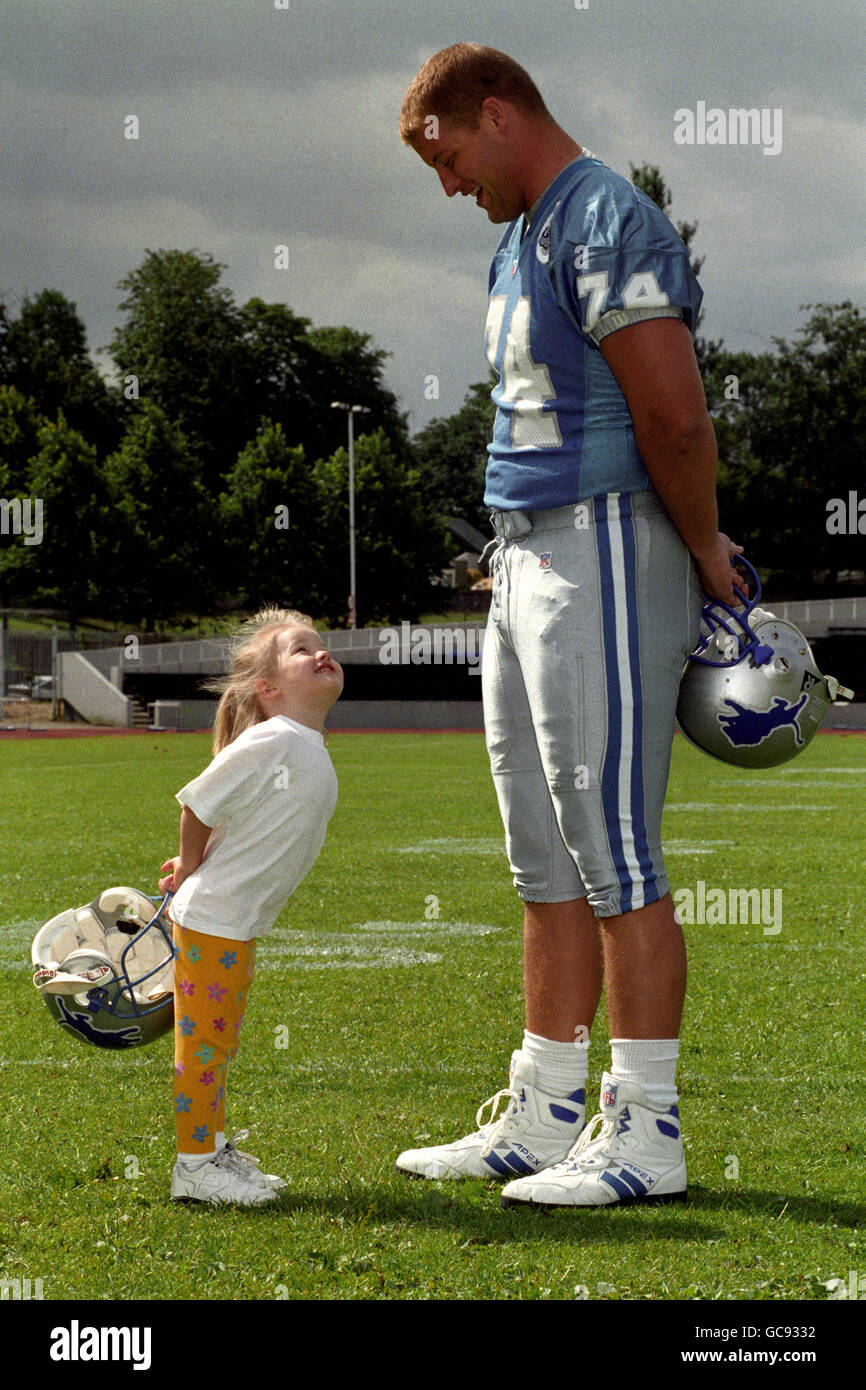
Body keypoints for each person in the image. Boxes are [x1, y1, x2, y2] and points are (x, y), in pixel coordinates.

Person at [395, 44, 745, 1207]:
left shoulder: (602, 215)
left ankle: (645, 1130)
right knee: (541, 856)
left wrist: (700, 548)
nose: (450, 185)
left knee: (614, 853)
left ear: (494, 116)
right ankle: (544, 1111)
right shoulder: (522, 230)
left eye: (448, 156)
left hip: (601, 535)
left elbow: (671, 413)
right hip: (529, 548)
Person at [158, 607, 344, 1205]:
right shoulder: (273, 738)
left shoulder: (299, 740)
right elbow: (199, 800)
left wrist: (205, 856)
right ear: (268, 689)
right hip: (214, 921)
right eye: (299, 650)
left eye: (320, 644)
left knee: (218, 1040)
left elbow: (229, 813)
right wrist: (188, 866)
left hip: (232, 924)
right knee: (204, 1045)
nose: (319, 652)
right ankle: (194, 1167)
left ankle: (211, 1151)